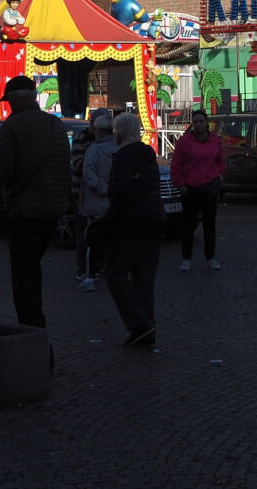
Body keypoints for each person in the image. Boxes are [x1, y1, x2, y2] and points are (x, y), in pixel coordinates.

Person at [0, 76, 70, 329]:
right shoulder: (55, 125)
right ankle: (34, 328)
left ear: (14, 99)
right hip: (52, 210)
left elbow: (1, 173)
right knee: (33, 267)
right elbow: (63, 168)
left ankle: (32, 333)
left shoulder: (12, 126)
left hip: (24, 211)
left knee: (24, 276)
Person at [102, 110, 165, 347]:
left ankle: (140, 324)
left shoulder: (122, 157)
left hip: (131, 224)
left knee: (114, 273)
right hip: (154, 220)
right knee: (144, 278)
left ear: (119, 134)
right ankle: (147, 328)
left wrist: (108, 222)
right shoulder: (149, 155)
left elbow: (121, 194)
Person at [170, 109, 224, 272]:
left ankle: (210, 258)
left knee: (209, 225)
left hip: (210, 187)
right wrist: (180, 185)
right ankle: (186, 259)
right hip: (190, 188)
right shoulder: (184, 142)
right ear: (192, 124)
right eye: (196, 122)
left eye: (201, 121)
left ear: (207, 123)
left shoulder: (215, 140)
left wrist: (220, 175)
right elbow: (176, 165)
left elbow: (220, 160)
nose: (199, 124)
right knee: (188, 225)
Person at [72, 106, 117, 291]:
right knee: (85, 234)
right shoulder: (83, 140)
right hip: (81, 193)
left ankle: (99, 267)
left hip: (101, 195)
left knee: (101, 233)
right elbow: (79, 166)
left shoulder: (109, 143)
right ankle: (84, 269)